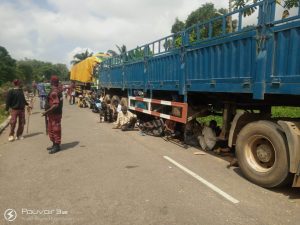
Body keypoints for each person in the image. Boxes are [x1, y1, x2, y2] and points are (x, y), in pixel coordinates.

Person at [42, 75, 63, 154]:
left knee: (55, 130)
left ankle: (57, 146)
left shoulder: (54, 92)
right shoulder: (57, 90)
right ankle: (54, 144)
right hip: (53, 114)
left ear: (52, 82)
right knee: (51, 129)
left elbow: (55, 105)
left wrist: (46, 112)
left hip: (55, 114)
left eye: (50, 81)